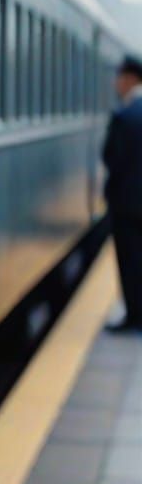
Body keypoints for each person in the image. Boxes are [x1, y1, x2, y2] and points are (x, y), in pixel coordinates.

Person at [103, 54, 142, 332]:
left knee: (130, 260)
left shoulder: (123, 116)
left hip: (128, 205)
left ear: (130, 79)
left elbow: (111, 158)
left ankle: (134, 316)